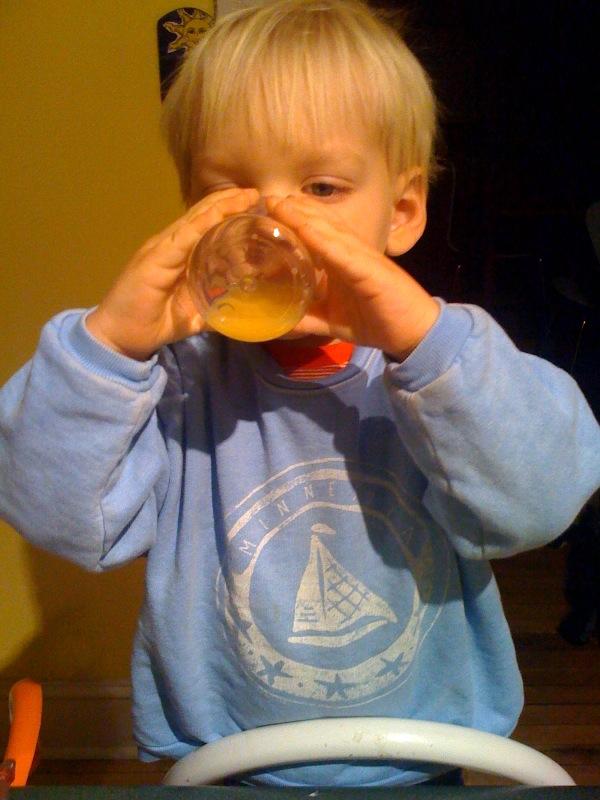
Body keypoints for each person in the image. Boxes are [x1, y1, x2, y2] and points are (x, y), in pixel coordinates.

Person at [1, 0, 599, 787]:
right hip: (225, 763)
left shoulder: (448, 370)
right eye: (227, 194)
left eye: (320, 186)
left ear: (402, 212)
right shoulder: (176, 380)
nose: (270, 224)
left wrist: (428, 343)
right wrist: (108, 347)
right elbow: (56, 511)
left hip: (424, 757)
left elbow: (539, 502)